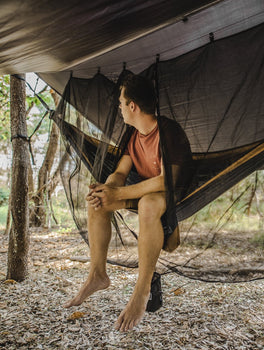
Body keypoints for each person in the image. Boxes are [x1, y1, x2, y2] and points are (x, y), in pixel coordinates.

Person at [63, 73, 193, 332]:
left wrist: (119, 195)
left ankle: (142, 290)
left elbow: (166, 180)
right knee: (97, 202)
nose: (119, 108)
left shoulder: (167, 131)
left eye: (121, 103)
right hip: (142, 189)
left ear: (133, 106)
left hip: (172, 191)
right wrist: (107, 189)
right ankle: (98, 274)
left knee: (147, 204)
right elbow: (121, 172)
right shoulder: (133, 135)